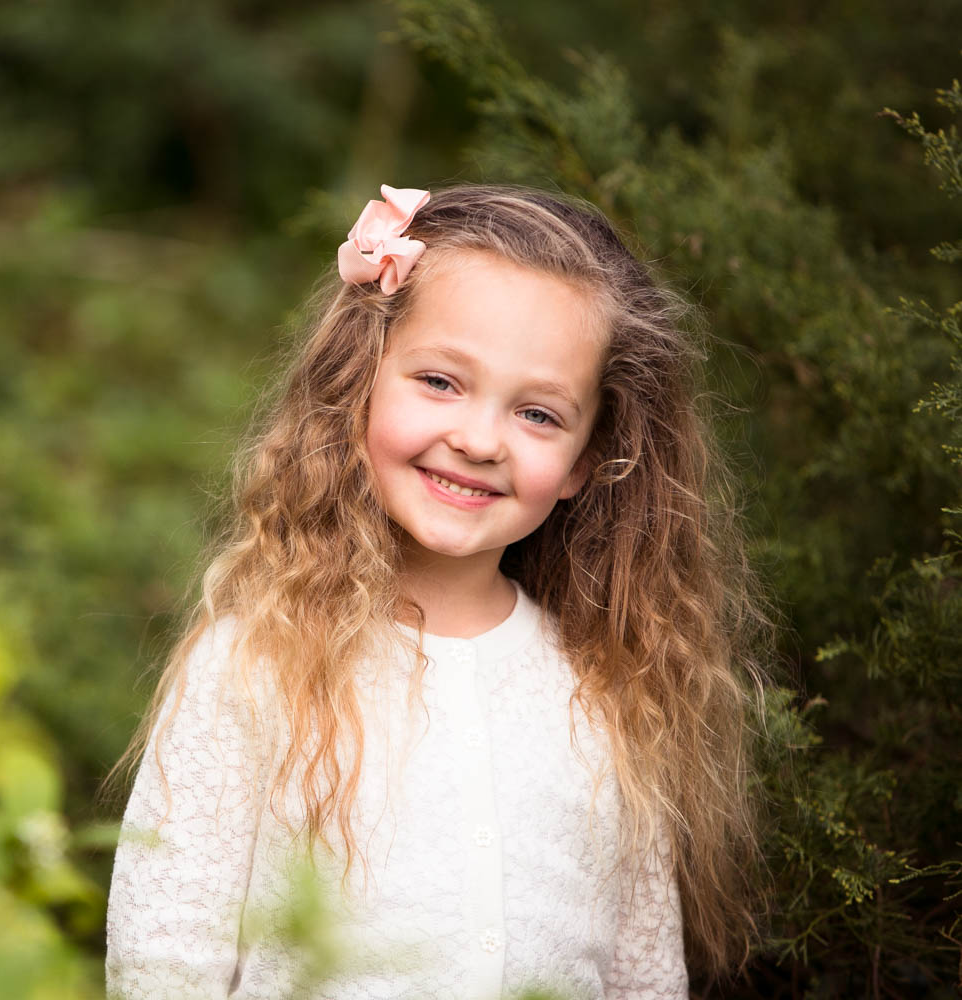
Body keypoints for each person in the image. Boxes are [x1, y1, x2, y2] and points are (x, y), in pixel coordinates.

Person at [104, 184, 770, 1000]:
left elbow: (645, 975)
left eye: (537, 414)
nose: (479, 440)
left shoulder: (608, 689)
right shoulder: (254, 664)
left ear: (587, 461)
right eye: (441, 383)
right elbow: (164, 954)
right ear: (359, 384)